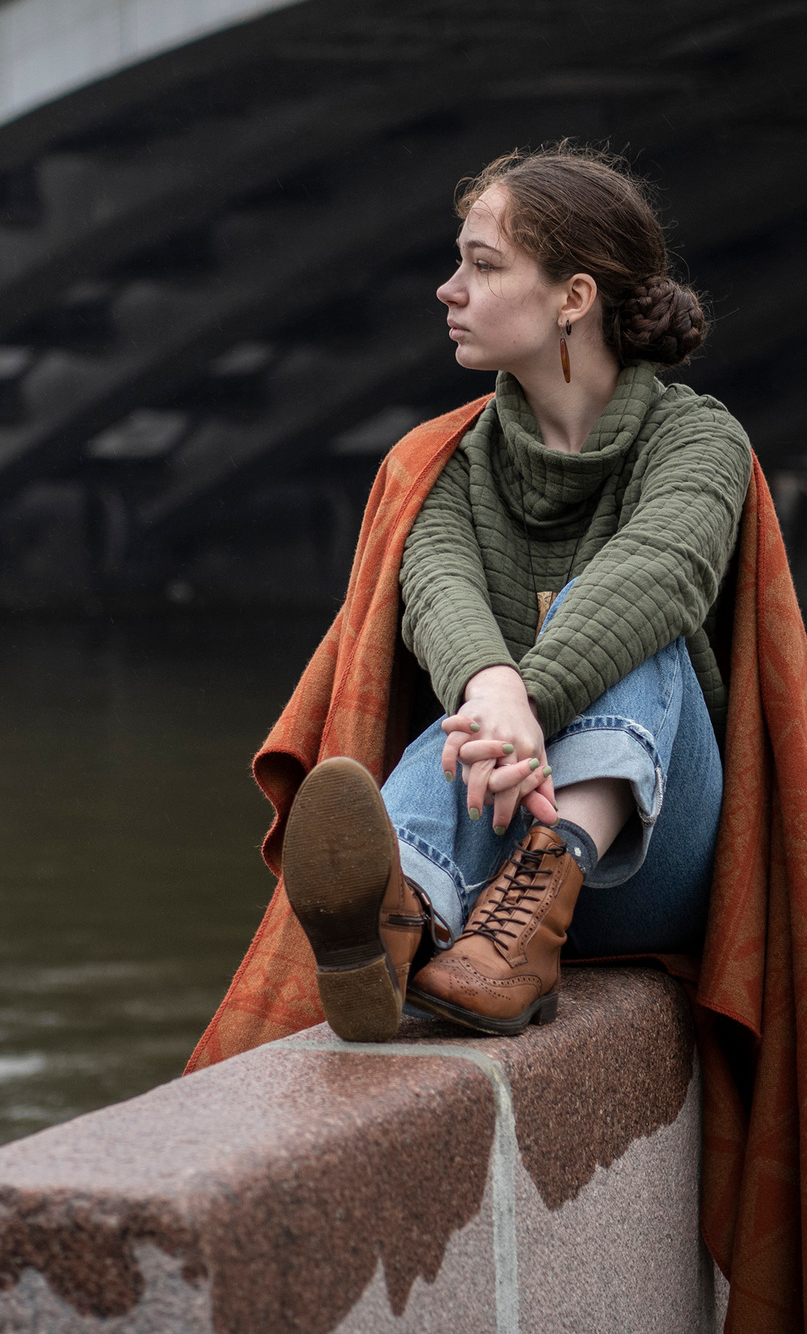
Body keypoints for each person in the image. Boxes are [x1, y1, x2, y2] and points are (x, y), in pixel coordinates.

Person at [280, 144, 749, 1039]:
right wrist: (493, 692)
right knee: (470, 705)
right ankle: (402, 914)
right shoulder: (439, 462)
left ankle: (537, 884)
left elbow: (662, 572)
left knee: (627, 613)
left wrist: (521, 701)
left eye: (483, 265)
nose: (448, 289)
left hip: (650, 866)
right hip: (485, 857)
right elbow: (440, 591)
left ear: (574, 298)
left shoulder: (698, 441)